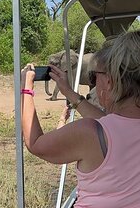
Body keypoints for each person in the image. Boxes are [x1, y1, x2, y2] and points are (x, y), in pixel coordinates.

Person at [21, 30, 140, 207]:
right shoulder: (110, 128)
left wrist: (26, 90)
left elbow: (36, 143)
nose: (94, 81)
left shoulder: (89, 132)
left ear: (110, 81)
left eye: (94, 76)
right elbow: (109, 123)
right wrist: (69, 93)